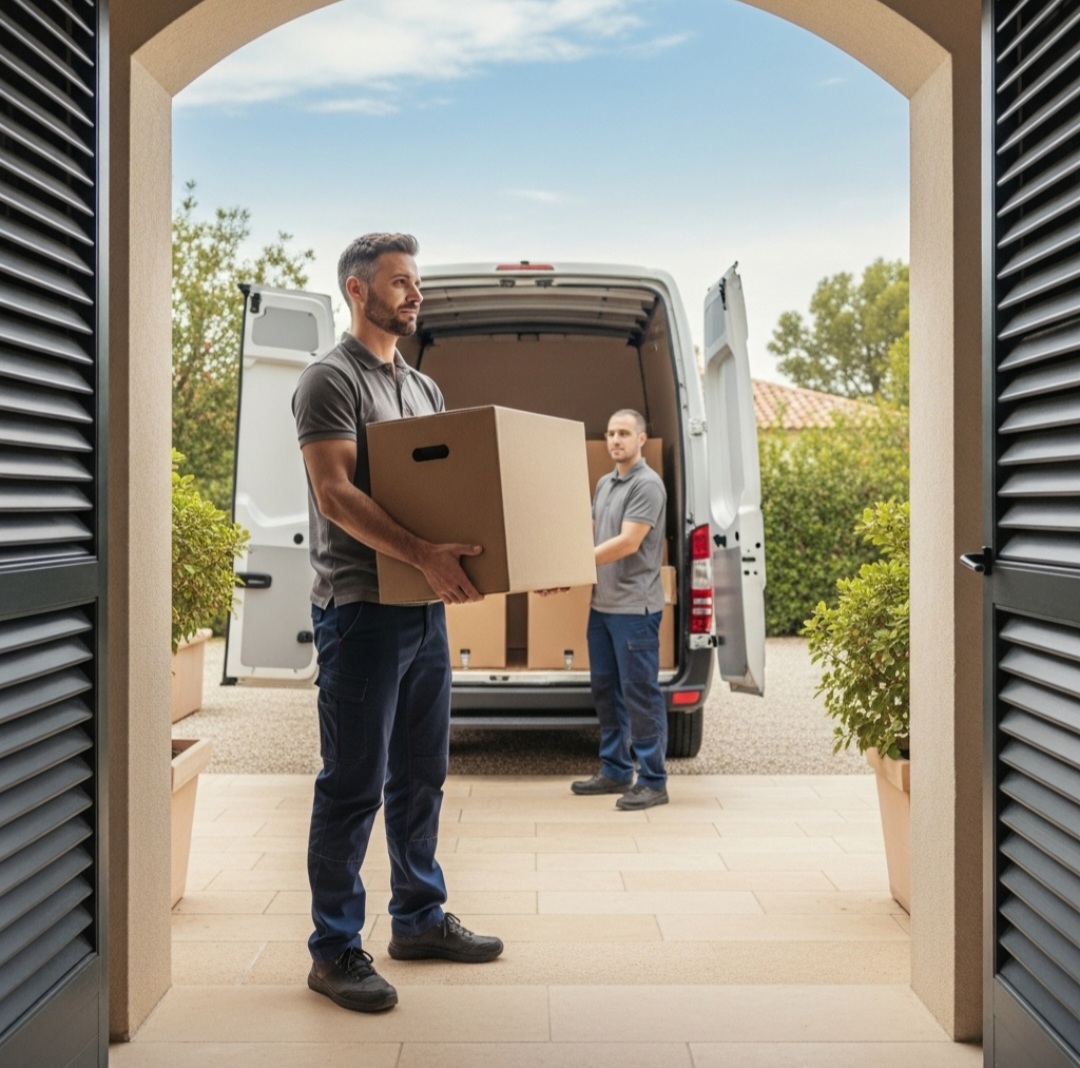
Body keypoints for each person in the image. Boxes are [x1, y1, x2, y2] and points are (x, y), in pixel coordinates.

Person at [292, 232, 503, 1015]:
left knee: (420, 774)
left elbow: (452, 497)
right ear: (357, 289)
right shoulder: (327, 380)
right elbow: (335, 494)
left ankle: (416, 919)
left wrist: (509, 564)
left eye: (417, 283)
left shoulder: (422, 387)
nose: (415, 294)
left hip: (423, 613)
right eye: (399, 282)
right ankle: (335, 949)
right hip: (361, 613)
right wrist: (420, 554)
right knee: (351, 784)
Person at [570, 409, 669, 810]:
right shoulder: (605, 483)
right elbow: (592, 535)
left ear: (641, 439)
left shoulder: (647, 485)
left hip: (635, 610)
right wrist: (564, 568)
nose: (616, 440)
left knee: (639, 694)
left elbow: (628, 542)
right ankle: (614, 769)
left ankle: (653, 780)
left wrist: (576, 563)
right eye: (611, 433)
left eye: (624, 433)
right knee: (606, 691)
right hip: (603, 607)